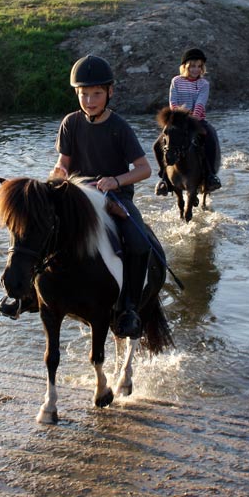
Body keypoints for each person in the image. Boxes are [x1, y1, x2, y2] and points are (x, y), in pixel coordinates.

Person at [52, 55, 153, 339]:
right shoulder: (70, 123)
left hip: (115, 198)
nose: (89, 100)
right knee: (38, 226)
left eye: (96, 93)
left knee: (139, 242)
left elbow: (144, 169)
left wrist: (116, 180)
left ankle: (130, 307)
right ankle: (26, 295)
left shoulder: (119, 127)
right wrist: (57, 173)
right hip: (78, 198)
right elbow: (64, 162)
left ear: (110, 92)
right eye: (84, 93)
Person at [154, 48, 222, 196]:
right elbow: (173, 102)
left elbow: (200, 104)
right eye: (192, 66)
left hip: (197, 121)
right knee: (157, 145)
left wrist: (192, 120)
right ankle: (164, 178)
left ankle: (210, 175)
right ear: (185, 67)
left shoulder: (204, 84)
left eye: (199, 66)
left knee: (210, 137)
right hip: (177, 121)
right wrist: (180, 119)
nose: (196, 69)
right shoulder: (176, 81)